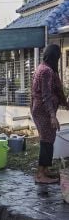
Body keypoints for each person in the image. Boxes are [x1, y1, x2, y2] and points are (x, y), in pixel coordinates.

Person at [31, 44, 68, 184]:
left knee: (49, 139)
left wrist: (65, 104)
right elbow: (46, 94)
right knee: (46, 141)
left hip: (40, 109)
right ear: (55, 57)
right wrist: (52, 116)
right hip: (44, 110)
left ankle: (45, 170)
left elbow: (57, 91)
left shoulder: (44, 68)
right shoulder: (46, 71)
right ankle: (40, 175)